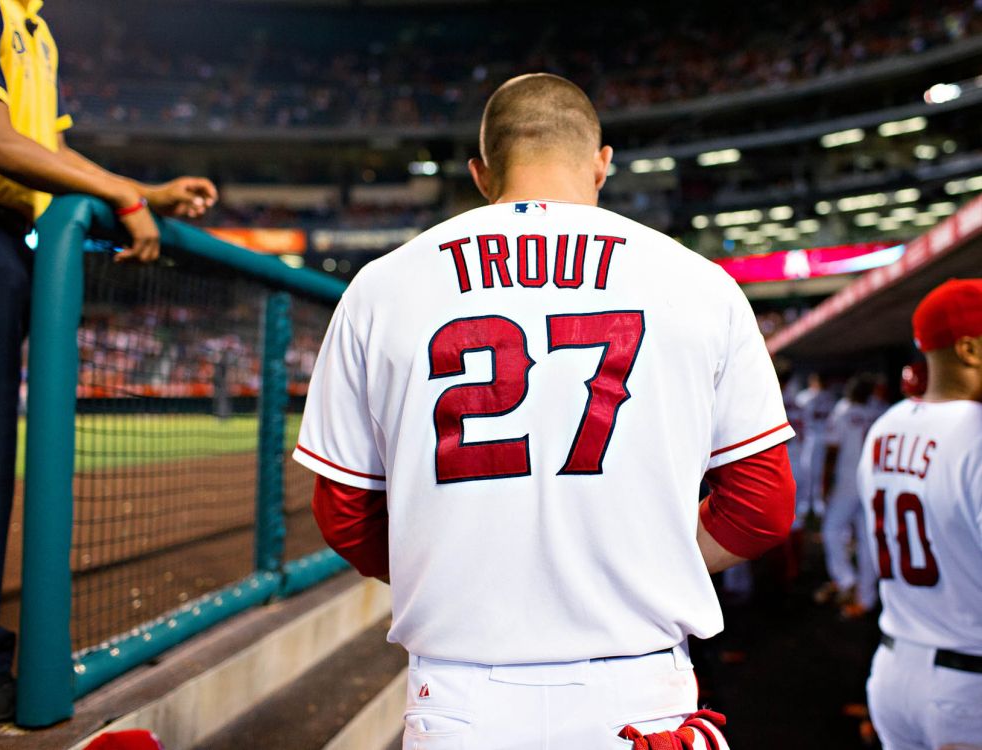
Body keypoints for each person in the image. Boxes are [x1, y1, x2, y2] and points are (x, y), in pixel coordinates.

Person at [294, 73, 795, 749]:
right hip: (638, 698)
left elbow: (344, 514)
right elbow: (762, 505)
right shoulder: (700, 283)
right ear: (601, 162)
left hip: (459, 700)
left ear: (480, 172)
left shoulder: (381, 288)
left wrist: (457, 559)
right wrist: (653, 556)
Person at [0, 0, 217, 722]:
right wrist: (120, 192)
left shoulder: (32, 23)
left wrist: (136, 192)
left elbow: (38, 149)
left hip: (0, 238)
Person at [857, 279, 982, 750]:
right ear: (969, 349)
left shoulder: (885, 426)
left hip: (893, 672)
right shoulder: (976, 431)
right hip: (967, 689)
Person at [814, 373, 879, 617]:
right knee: (866, 538)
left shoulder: (842, 412)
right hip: (870, 480)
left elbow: (832, 452)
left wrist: (825, 484)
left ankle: (845, 579)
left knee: (831, 530)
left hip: (847, 480)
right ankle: (866, 596)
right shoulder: (875, 413)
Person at [794, 372, 836, 519]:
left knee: (819, 471)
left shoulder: (828, 397)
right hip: (808, 437)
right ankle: (804, 502)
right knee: (806, 470)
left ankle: (817, 501)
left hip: (823, 437)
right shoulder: (804, 397)